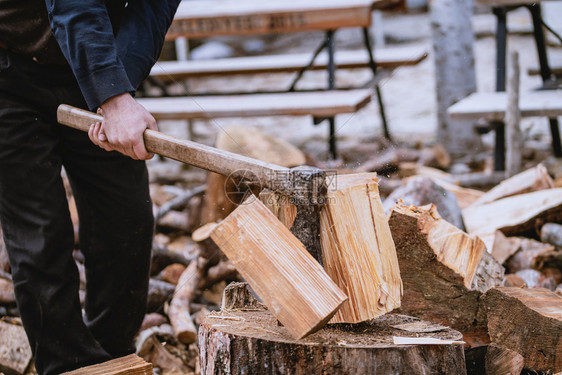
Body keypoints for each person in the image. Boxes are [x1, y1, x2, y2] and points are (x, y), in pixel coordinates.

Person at [0, 0, 181, 373]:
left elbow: (150, 10)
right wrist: (111, 98)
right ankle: (67, 365)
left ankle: (112, 356)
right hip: (9, 70)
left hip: (90, 62)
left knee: (126, 220)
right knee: (41, 236)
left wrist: (118, 88)